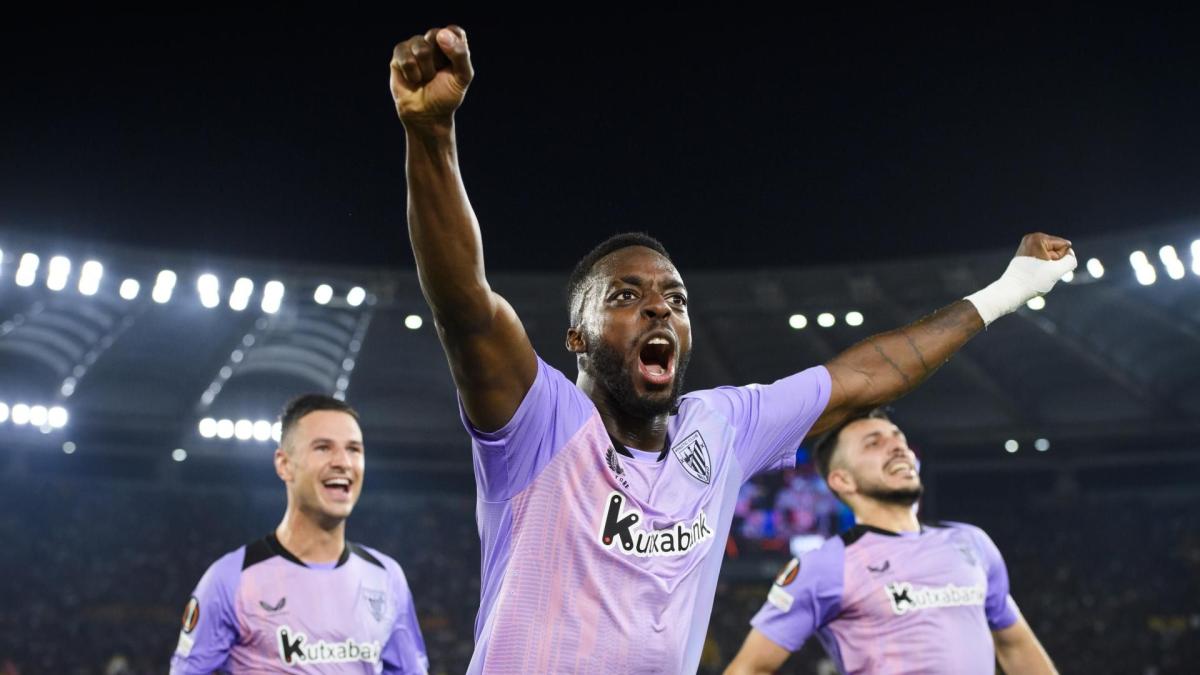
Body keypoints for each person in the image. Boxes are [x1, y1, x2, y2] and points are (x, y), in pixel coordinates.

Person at [389, 25, 1076, 674]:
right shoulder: (540, 425)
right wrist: (431, 134)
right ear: (577, 337)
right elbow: (465, 306)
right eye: (625, 296)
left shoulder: (720, 428)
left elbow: (869, 374)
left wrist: (1008, 289)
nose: (660, 304)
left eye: (676, 298)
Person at [725, 409, 1056, 674]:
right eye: (874, 443)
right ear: (842, 480)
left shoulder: (971, 542)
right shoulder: (824, 566)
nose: (898, 446)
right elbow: (750, 668)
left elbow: (1016, 646)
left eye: (899, 438)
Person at [169, 395, 428, 674]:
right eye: (323, 448)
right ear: (284, 465)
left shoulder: (387, 577)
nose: (342, 461)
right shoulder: (230, 579)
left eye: (354, 449)